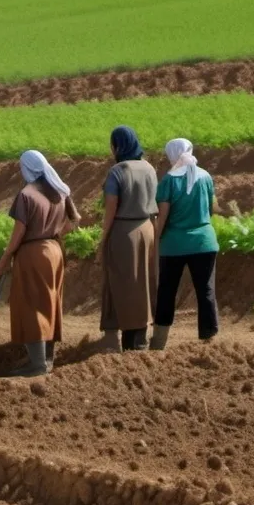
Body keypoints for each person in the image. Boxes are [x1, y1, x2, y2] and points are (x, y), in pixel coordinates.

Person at [0, 150, 80, 377]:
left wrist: (5, 258)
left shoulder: (26, 194)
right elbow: (75, 219)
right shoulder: (60, 189)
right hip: (54, 251)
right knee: (51, 302)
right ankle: (47, 359)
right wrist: (57, 234)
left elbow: (19, 232)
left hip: (33, 253)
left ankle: (37, 364)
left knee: (33, 305)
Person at [151, 139, 219, 350]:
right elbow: (212, 208)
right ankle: (208, 340)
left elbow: (162, 218)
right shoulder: (205, 176)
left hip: (174, 245)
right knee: (206, 290)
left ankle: (159, 342)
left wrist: (154, 242)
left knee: (167, 291)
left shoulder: (169, 181)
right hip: (204, 242)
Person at [98, 125, 158, 353]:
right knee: (143, 283)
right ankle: (140, 337)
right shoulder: (149, 168)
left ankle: (124, 339)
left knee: (122, 285)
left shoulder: (117, 171)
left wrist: (104, 238)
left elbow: (111, 209)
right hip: (147, 228)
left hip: (124, 232)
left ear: (118, 145)